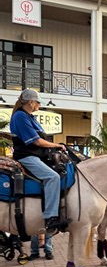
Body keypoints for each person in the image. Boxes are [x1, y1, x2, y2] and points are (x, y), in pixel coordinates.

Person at [10, 89, 70, 232]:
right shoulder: (20, 116)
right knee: (52, 177)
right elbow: (36, 141)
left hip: (37, 156)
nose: (39, 105)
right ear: (30, 102)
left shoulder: (30, 117)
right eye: (37, 102)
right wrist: (57, 145)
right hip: (27, 157)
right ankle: (51, 217)